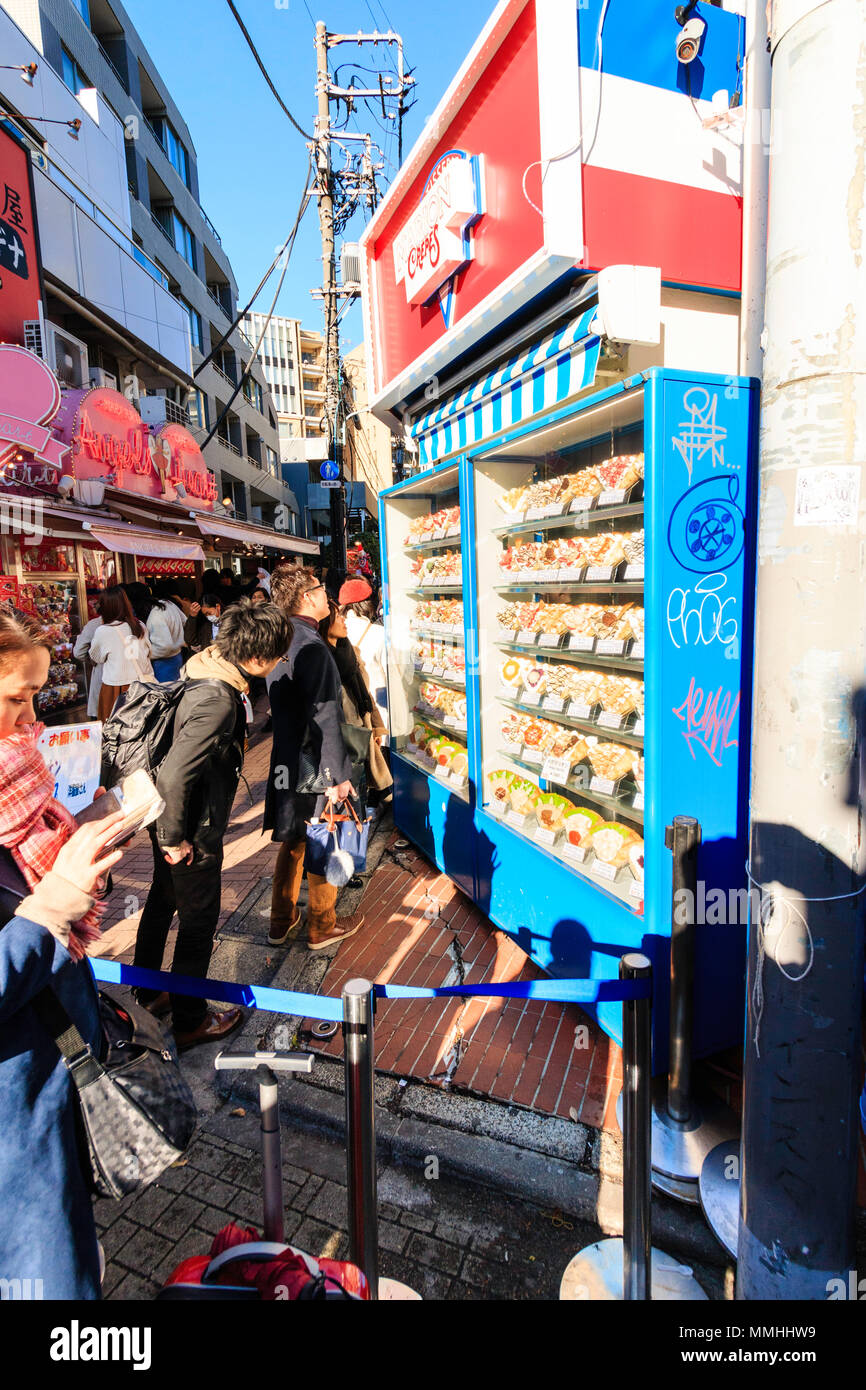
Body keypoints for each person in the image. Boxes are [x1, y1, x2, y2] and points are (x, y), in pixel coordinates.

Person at [0, 608, 129, 1298]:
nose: (32, 723)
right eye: (16, 700)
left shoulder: (22, 799)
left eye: (36, 698)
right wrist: (46, 914)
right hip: (11, 1124)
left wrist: (87, 858)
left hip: (56, 1075)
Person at [132, 599, 290, 1049]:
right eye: (278, 654)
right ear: (258, 656)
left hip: (172, 820)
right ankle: (190, 1020)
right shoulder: (218, 698)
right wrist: (174, 838)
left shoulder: (203, 667)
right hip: (190, 829)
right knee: (198, 923)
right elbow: (176, 773)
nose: (280, 662)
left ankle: (149, 992)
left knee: (162, 904)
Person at [265, 565, 365, 951]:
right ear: (308, 596)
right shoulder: (311, 644)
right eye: (322, 589)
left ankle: (280, 919)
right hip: (314, 757)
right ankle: (322, 924)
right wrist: (338, 775)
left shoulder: (280, 637)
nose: (328, 596)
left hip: (286, 753)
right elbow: (326, 716)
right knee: (326, 833)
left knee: (293, 837)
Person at [319, 598, 391, 801]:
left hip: (361, 730)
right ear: (325, 625)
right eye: (337, 617)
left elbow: (365, 694)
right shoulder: (324, 659)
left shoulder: (347, 649)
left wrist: (376, 728)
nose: (344, 620)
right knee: (351, 797)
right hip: (344, 738)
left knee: (361, 791)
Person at [88, 586, 154, 721]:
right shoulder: (139, 625)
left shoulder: (103, 631)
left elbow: (96, 657)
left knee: (115, 728)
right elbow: (148, 653)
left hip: (115, 688)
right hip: (142, 685)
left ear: (105, 607)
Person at [341, 580, 389, 736]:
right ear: (368, 603)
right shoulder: (378, 633)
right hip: (379, 715)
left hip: (350, 715)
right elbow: (393, 675)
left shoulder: (335, 632)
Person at [144, 582, 186, 683]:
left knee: (165, 694)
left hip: (164, 663)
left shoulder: (157, 614)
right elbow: (185, 621)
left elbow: (164, 647)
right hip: (177, 657)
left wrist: (146, 654)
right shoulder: (170, 605)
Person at [73, 609, 103, 720]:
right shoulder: (136, 624)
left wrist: (92, 660)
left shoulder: (95, 625)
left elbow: (78, 652)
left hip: (103, 681)